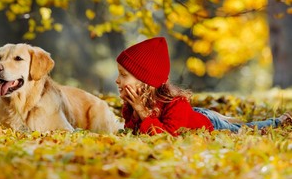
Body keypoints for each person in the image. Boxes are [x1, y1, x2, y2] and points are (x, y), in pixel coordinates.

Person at [115, 37, 292, 136]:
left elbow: (166, 137)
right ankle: (225, 117)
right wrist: (136, 113)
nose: (117, 80)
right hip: (194, 115)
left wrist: (143, 113)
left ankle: (279, 121)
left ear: (146, 82)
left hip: (208, 124)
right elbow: (135, 131)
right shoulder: (134, 104)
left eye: (123, 75)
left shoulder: (176, 104)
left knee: (246, 130)